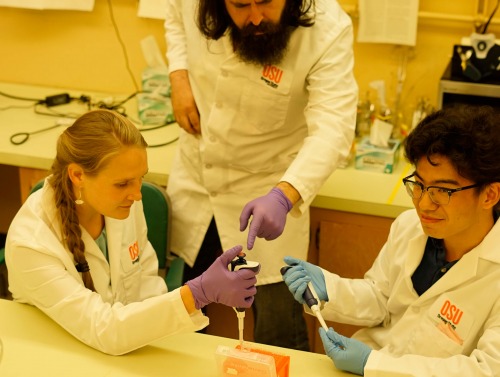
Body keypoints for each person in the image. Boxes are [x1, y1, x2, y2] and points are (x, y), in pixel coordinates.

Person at [164, 0, 357, 350]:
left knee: (277, 335)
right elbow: (175, 18)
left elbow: (334, 127)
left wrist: (285, 194)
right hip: (197, 181)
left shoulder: (327, 29)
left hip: (268, 193)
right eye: (240, 5)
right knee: (180, 322)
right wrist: (178, 75)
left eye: (266, 2)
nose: (254, 17)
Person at [5, 109, 259, 356]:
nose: (137, 195)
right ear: (78, 175)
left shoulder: (121, 205)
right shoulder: (32, 243)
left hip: (124, 352)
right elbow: (103, 328)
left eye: (140, 178)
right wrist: (195, 294)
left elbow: (145, 284)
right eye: (122, 183)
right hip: (59, 359)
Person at [282, 105, 500, 376]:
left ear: (490, 195)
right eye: (419, 185)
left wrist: (372, 364)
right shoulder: (410, 227)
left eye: (442, 191)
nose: (423, 204)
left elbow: (487, 369)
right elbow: (383, 297)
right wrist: (330, 288)